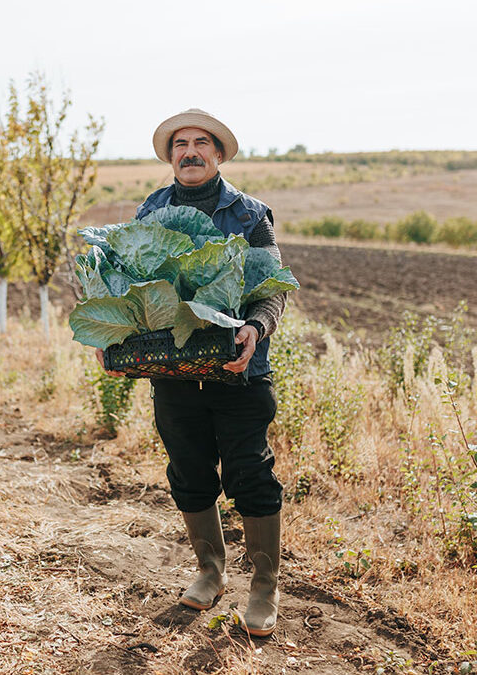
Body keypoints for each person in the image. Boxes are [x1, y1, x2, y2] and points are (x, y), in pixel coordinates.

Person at [96, 108, 288, 637]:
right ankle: (211, 572)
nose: (190, 152)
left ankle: (264, 587)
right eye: (180, 144)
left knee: (250, 473)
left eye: (201, 142)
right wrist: (113, 336)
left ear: (218, 154)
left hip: (238, 369)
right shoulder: (152, 210)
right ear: (171, 157)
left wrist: (256, 327)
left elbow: (273, 286)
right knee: (188, 471)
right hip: (174, 370)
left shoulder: (250, 215)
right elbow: (127, 283)